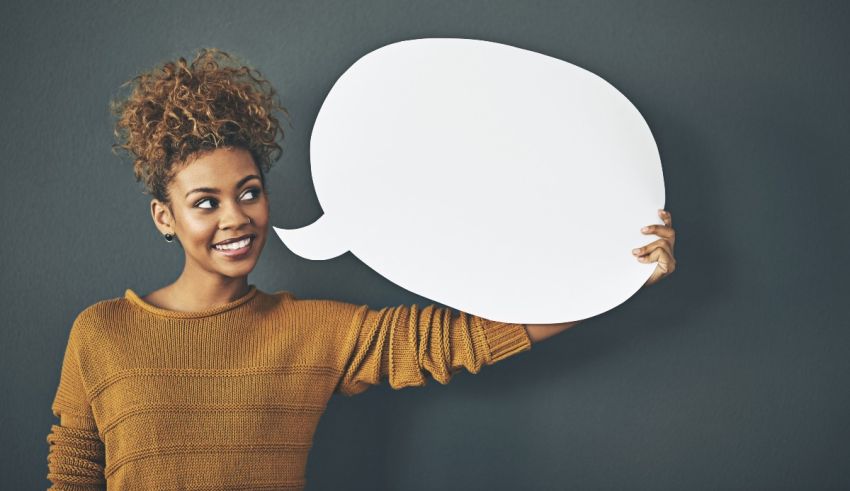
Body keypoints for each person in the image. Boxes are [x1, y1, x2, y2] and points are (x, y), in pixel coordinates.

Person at [45, 48, 677, 490]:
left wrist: (616, 276)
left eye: (249, 192)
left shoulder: (314, 331)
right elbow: (72, 477)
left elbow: (463, 339)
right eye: (204, 203)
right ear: (165, 217)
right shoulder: (100, 333)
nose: (235, 218)